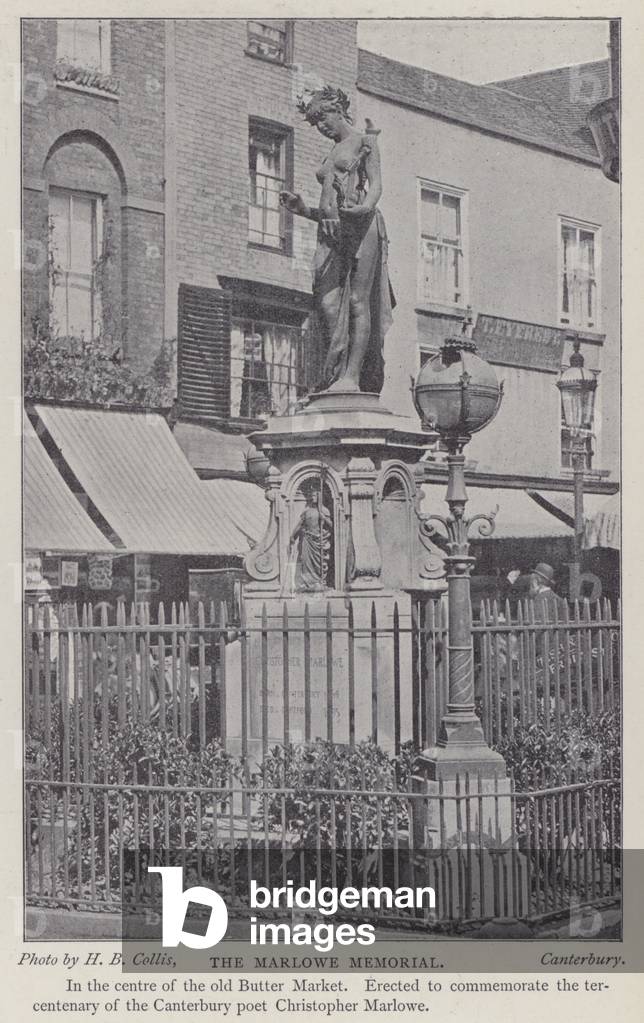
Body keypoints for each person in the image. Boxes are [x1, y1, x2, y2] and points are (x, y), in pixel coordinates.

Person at [280, 86, 395, 394]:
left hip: (362, 228)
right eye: (315, 122)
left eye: (322, 118)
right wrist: (303, 209)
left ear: (338, 110)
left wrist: (365, 207)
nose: (320, 126)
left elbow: (375, 185)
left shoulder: (364, 141)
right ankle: (335, 370)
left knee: (358, 301)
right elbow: (329, 209)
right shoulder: (331, 151)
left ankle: (351, 377)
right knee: (327, 301)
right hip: (332, 232)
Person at [290, 484, 332, 592]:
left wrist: (324, 518)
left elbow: (332, 526)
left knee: (318, 563)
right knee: (305, 561)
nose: (312, 497)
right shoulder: (306, 511)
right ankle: (306, 583)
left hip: (318, 541)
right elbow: (300, 524)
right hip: (307, 540)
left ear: (319, 496)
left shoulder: (324, 511)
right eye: (311, 495)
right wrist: (292, 536)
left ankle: (318, 582)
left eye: (314, 495)